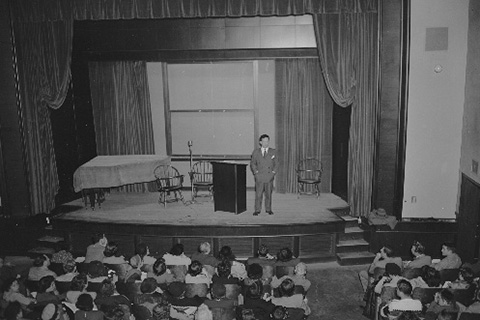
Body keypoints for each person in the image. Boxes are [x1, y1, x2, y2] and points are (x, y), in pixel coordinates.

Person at [250, 134, 278, 216]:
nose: (266, 143)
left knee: (268, 194)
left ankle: (268, 209)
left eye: (267, 141)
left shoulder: (273, 151)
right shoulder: (256, 152)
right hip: (260, 176)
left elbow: (277, 163)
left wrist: (273, 173)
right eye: (264, 141)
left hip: (269, 176)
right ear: (260, 142)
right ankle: (257, 210)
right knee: (258, 194)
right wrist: (256, 172)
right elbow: (253, 163)